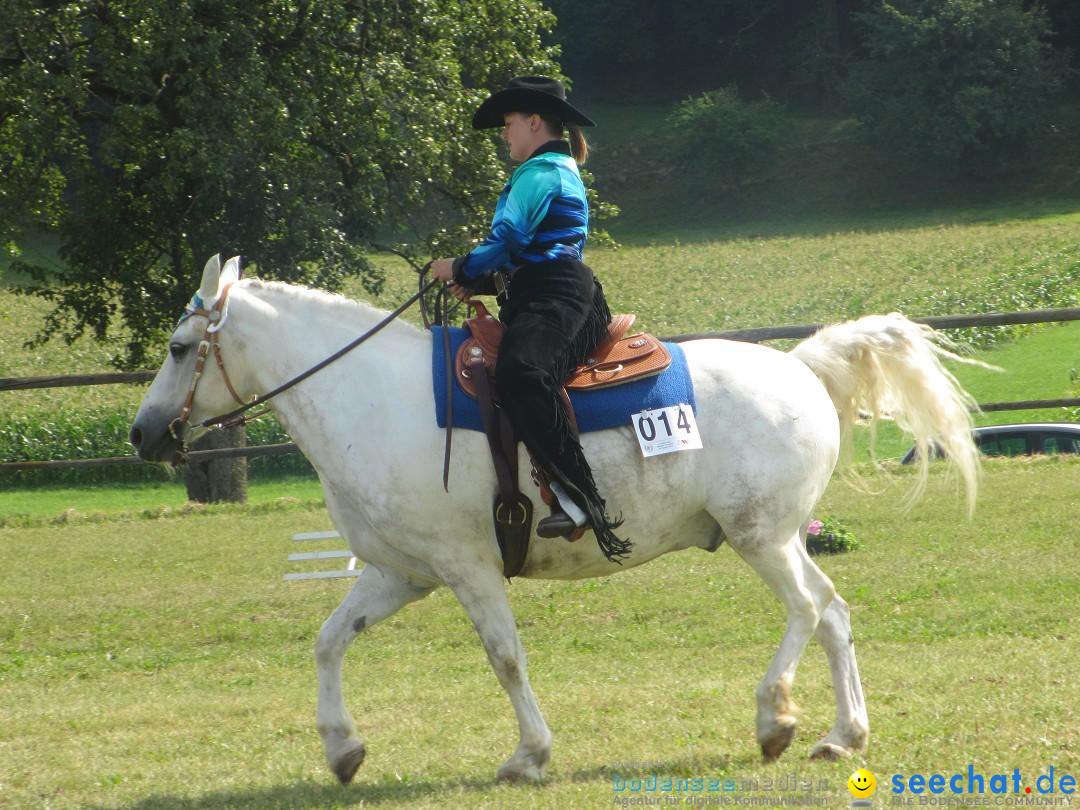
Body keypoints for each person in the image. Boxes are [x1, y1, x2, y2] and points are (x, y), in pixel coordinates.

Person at [430, 75, 630, 562]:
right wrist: (478, 283)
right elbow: (525, 254)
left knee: (522, 373)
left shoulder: (543, 172)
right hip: (535, 292)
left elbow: (509, 240)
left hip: (557, 295)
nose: (504, 134)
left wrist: (458, 266)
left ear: (534, 122)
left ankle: (581, 499)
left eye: (509, 123)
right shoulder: (545, 170)